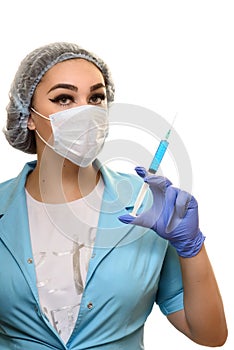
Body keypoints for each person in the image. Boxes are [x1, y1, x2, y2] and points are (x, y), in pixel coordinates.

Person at [0, 42, 227, 350]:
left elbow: (209, 335)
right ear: (27, 114)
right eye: (64, 99)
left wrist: (191, 247)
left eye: (96, 98)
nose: (85, 112)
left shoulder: (147, 206)